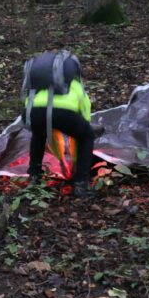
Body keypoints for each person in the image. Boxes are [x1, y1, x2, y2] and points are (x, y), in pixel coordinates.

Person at [23, 50, 96, 199]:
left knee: (38, 135)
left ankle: (34, 178)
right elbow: (85, 104)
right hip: (65, 113)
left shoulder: (37, 84)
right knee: (87, 136)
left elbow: (27, 104)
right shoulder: (73, 82)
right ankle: (81, 184)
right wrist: (85, 125)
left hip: (33, 113)